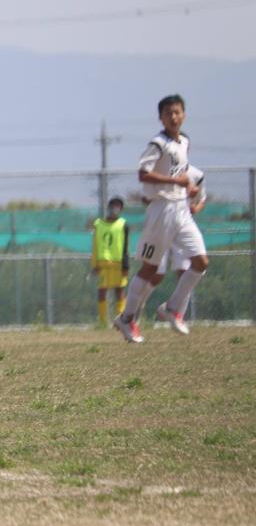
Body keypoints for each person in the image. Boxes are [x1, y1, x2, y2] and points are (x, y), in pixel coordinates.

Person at [114, 95, 208, 342]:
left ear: (184, 114)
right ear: (161, 118)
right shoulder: (157, 144)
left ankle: (173, 308)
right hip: (162, 210)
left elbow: (181, 171)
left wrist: (189, 187)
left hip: (182, 209)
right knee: (151, 269)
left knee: (200, 262)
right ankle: (127, 319)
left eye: (177, 112)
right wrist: (174, 181)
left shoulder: (184, 141)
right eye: (168, 113)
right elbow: (143, 174)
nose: (173, 117)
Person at [147, 164, 207, 320]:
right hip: (162, 224)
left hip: (182, 227)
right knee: (156, 273)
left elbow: (201, 198)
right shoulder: (162, 169)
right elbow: (148, 196)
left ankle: (176, 313)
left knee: (185, 271)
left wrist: (195, 208)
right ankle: (133, 311)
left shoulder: (196, 174)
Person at [89, 197, 130, 327]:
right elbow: (95, 245)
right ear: (108, 207)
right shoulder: (98, 224)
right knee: (102, 291)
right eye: (113, 206)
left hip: (118, 264)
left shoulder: (123, 224)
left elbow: (126, 247)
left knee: (120, 291)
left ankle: (121, 321)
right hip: (103, 264)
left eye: (118, 207)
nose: (115, 209)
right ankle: (102, 321)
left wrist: (126, 266)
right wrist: (94, 264)